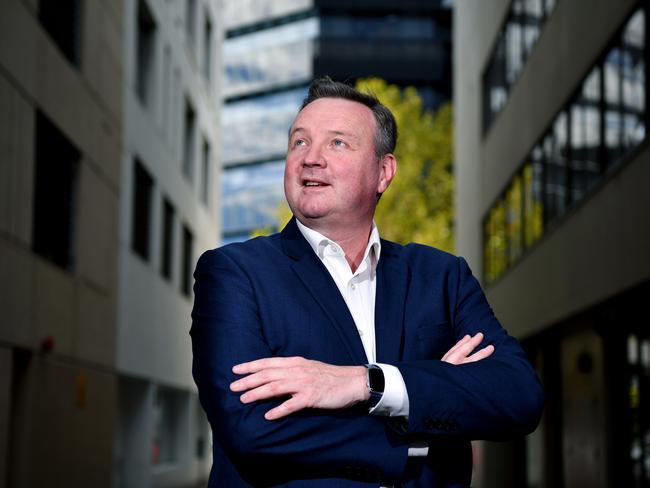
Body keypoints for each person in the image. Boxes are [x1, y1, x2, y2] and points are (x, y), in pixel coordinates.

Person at [191, 77, 544, 487]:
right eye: (299, 142)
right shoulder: (234, 273)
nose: (311, 158)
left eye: (337, 143)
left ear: (383, 171)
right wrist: (427, 406)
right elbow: (252, 426)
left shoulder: (442, 277)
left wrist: (366, 382)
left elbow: (519, 395)